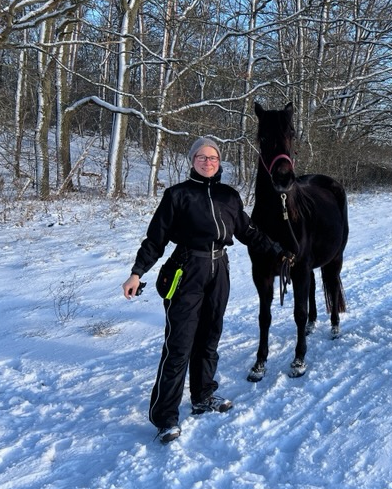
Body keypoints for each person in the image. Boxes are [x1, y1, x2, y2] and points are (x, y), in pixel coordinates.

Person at [122, 137, 293, 444]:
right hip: (186, 270)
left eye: (213, 157)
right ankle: (165, 417)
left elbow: (248, 231)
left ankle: (203, 396)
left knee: (210, 337)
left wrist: (278, 251)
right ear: (192, 161)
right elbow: (156, 239)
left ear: (219, 162)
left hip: (219, 270)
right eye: (201, 157)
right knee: (179, 345)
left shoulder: (229, 196)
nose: (208, 162)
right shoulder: (177, 195)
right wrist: (137, 272)